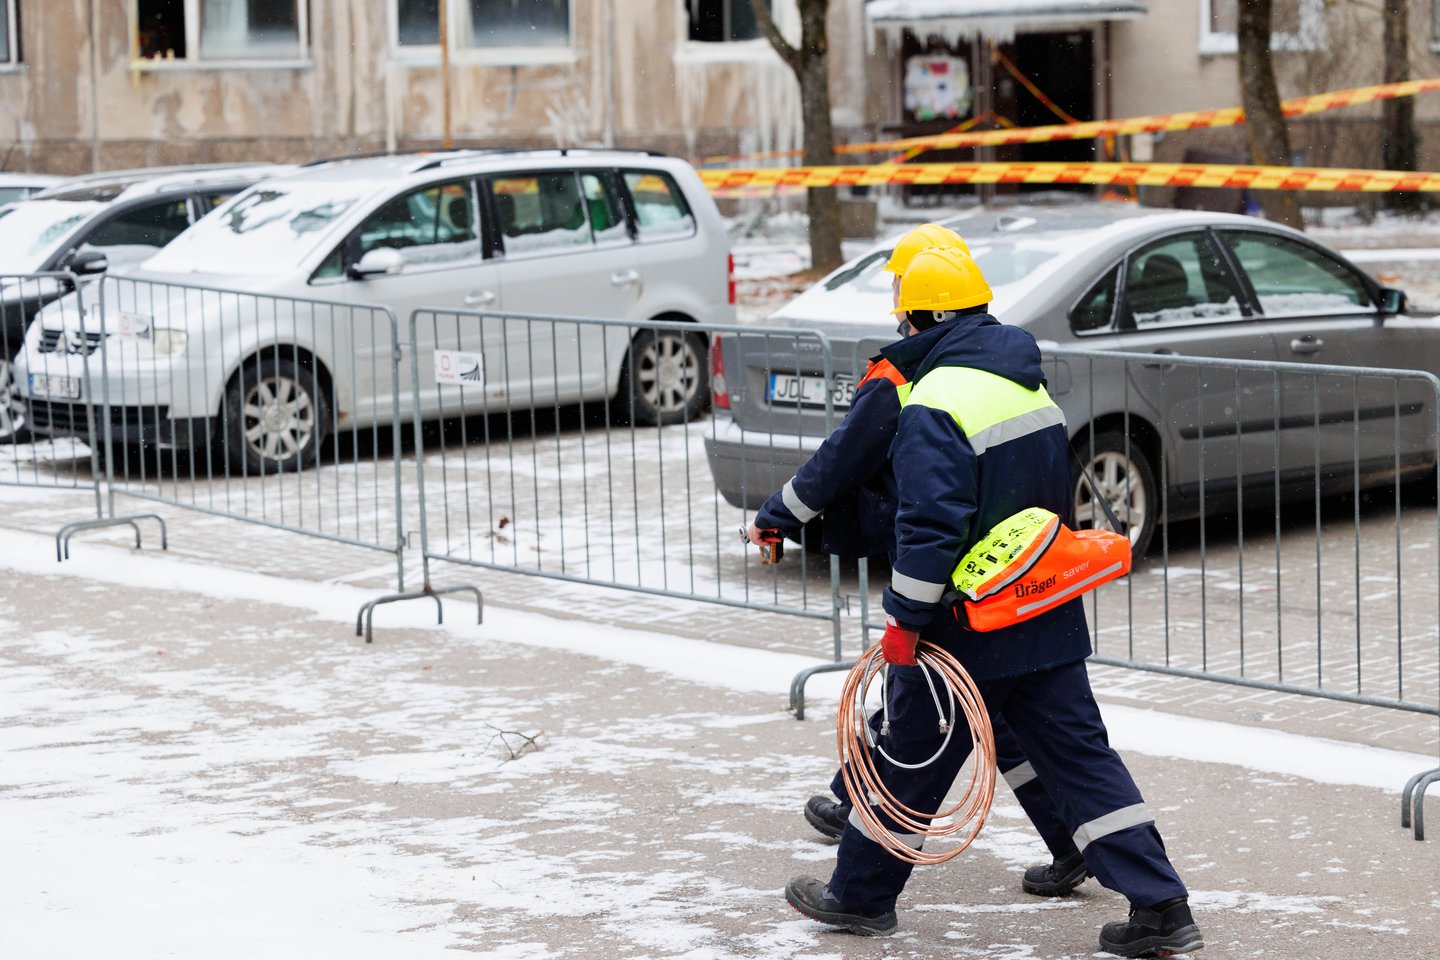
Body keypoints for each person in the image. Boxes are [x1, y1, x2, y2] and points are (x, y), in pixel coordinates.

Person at [783, 246, 1202, 958]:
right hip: (1040, 602)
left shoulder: (936, 400)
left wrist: (905, 620)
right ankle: (1162, 906)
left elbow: (932, 525)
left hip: (965, 619)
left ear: (923, 318)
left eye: (906, 317)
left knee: (909, 757)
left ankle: (857, 898)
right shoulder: (1024, 384)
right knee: (1081, 758)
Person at [747, 223, 1092, 902]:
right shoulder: (1005, 363)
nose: (897, 307)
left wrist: (778, 514)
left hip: (950, 581)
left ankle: (859, 873)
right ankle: (1074, 844)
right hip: (1012, 577)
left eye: (901, 292)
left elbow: (843, 463)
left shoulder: (912, 375)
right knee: (1009, 719)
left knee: (922, 724)